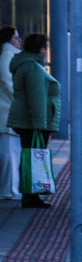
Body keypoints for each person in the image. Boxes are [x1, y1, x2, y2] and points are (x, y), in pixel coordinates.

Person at [7, 33, 59, 209]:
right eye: (46, 46)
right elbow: (37, 99)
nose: (47, 50)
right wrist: (40, 125)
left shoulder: (26, 64)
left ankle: (30, 194)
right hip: (32, 122)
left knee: (30, 156)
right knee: (33, 157)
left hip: (26, 120)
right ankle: (31, 195)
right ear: (41, 49)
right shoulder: (33, 68)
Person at [0, 26, 20, 200]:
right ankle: (9, 190)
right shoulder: (7, 55)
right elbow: (7, 82)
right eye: (16, 38)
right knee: (10, 153)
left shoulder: (8, 54)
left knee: (10, 152)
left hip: (7, 109)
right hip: (8, 110)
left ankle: (10, 188)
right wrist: (19, 99)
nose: (19, 41)